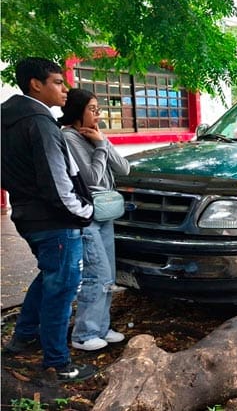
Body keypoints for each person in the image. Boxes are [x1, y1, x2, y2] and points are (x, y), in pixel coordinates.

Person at [0, 57, 96, 382]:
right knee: (62, 288)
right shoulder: (39, 122)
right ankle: (58, 362)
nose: (65, 89)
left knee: (50, 276)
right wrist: (84, 212)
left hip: (27, 215)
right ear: (35, 84)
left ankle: (24, 336)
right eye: (57, 82)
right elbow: (57, 182)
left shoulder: (7, 118)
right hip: (55, 221)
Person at [59, 88, 130, 351]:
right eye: (92, 109)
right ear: (77, 111)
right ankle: (84, 334)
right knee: (96, 273)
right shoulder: (69, 138)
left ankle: (101, 327)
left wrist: (103, 141)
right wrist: (100, 147)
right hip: (88, 214)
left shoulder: (96, 135)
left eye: (98, 109)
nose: (97, 114)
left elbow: (124, 168)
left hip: (105, 212)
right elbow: (91, 178)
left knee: (108, 273)